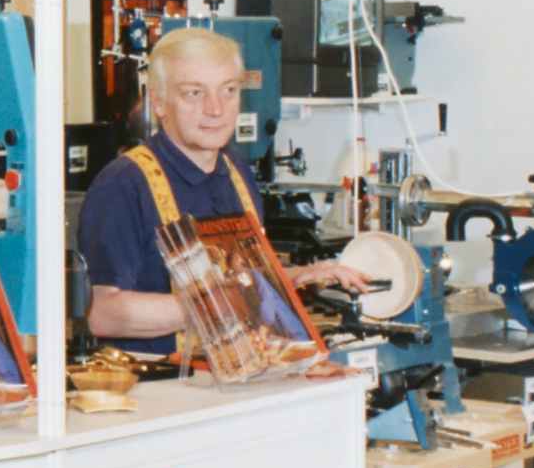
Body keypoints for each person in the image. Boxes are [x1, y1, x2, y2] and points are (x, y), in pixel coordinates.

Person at [76, 24, 364, 357]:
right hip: (161, 391)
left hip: (237, 376)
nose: (216, 108)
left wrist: (300, 278)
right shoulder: (123, 184)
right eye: (194, 93)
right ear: (158, 102)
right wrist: (216, 304)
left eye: (228, 90)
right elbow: (103, 314)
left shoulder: (235, 169)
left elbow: (244, 281)